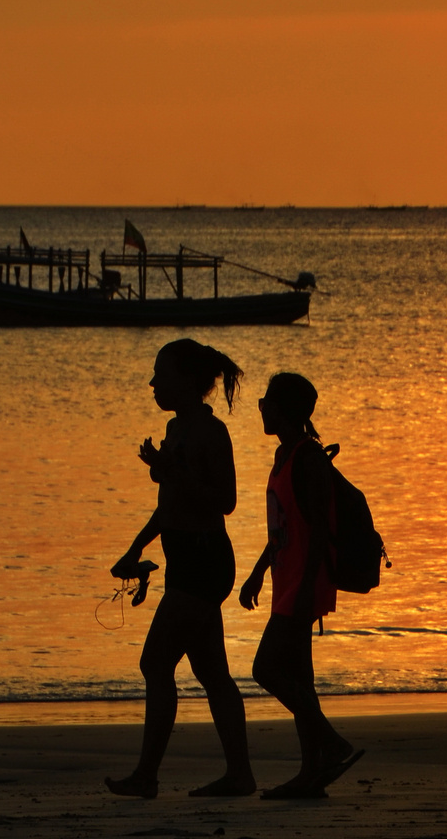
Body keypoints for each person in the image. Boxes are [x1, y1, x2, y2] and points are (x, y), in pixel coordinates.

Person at [105, 339, 255, 799]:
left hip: (206, 560)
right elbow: (169, 507)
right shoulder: (174, 430)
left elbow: (225, 501)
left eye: (161, 375)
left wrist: (176, 469)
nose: (152, 384)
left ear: (188, 383)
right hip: (185, 559)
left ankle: (147, 775)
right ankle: (239, 774)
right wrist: (133, 549)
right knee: (212, 674)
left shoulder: (211, 434)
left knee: (155, 663)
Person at [239, 372, 362, 798]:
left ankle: (332, 742)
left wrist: (309, 586)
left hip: (303, 583)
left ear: (284, 409)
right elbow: (283, 526)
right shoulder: (283, 454)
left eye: (266, 401)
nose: (260, 407)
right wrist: (258, 572)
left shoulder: (308, 459)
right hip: (286, 579)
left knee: (266, 669)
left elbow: (318, 530)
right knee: (299, 681)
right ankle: (311, 774)